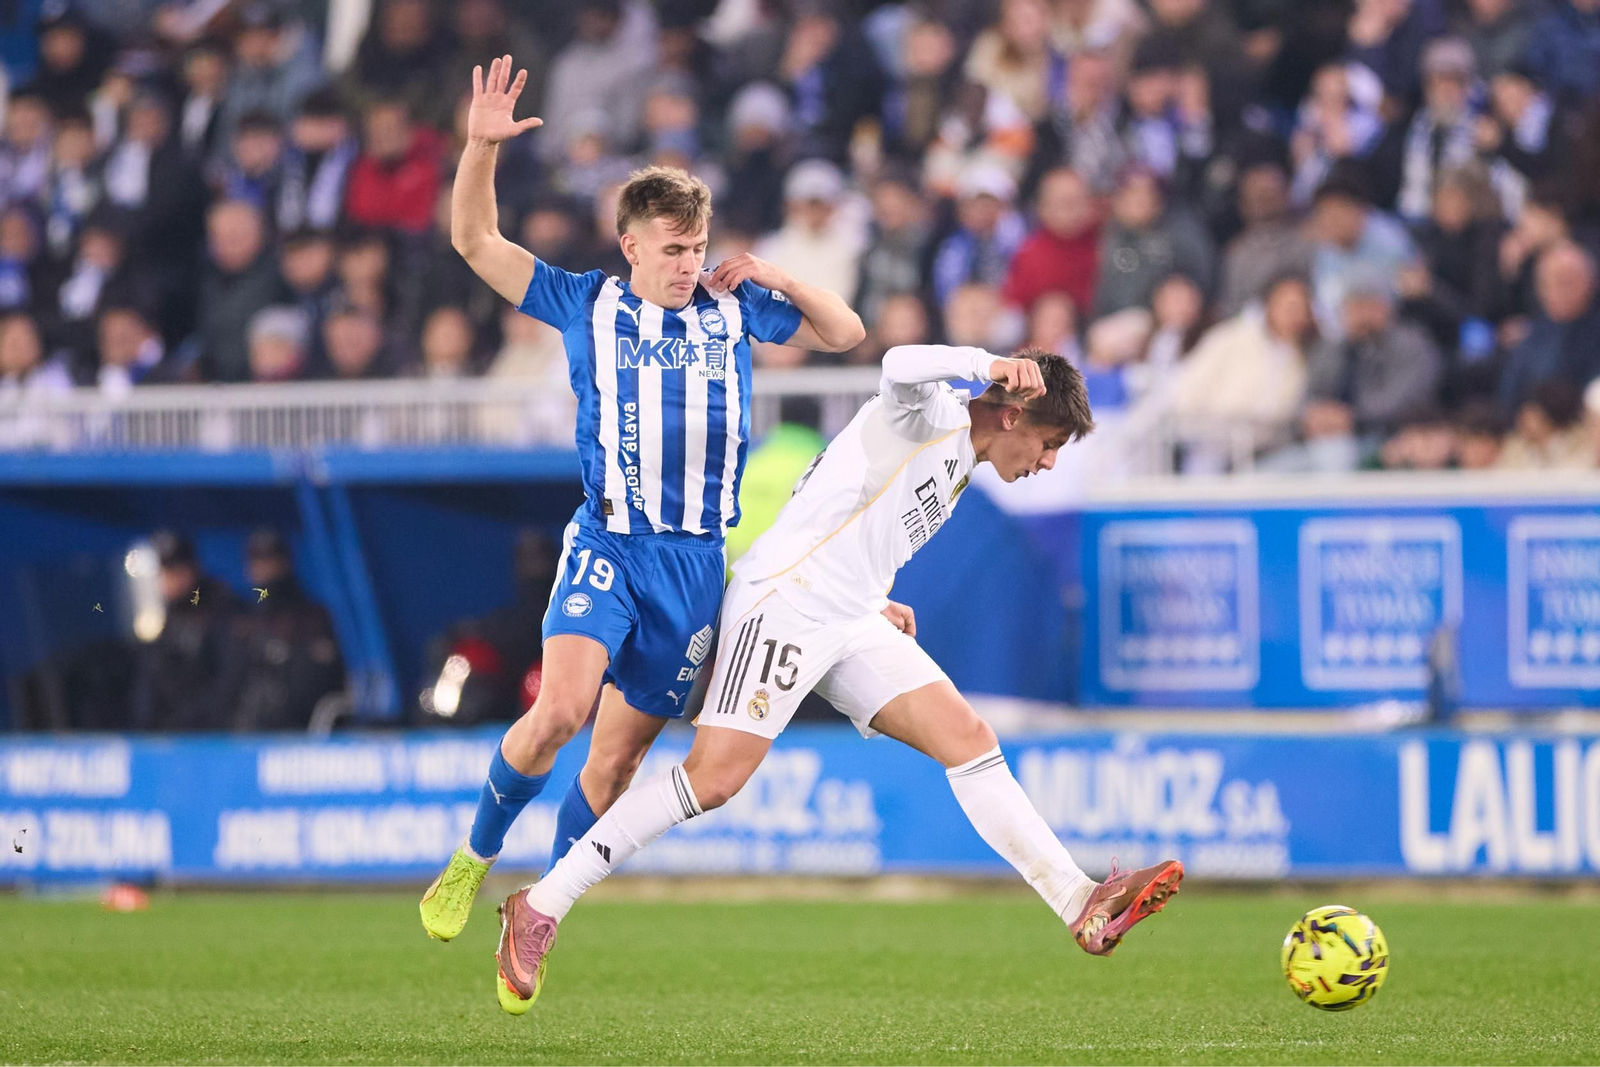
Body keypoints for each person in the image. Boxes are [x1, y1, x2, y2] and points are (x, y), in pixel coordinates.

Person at [491, 345, 1181, 1013]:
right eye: (1051, 440)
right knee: (713, 779)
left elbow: (836, 501)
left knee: (968, 737)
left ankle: (1077, 899)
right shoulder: (931, 411)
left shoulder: (962, 459)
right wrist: (985, 364)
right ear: (1012, 412)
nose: (1049, 461)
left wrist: (872, 593)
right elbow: (895, 363)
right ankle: (540, 903)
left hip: (849, 614)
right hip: (786, 604)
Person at [419, 55, 865, 945]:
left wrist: (775, 274)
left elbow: (845, 331)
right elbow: (476, 241)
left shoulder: (734, 311)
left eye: (697, 248)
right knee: (562, 711)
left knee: (616, 761)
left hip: (697, 564)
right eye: (672, 250)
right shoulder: (585, 304)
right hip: (611, 544)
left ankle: (538, 909)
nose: (687, 264)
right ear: (631, 246)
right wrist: (479, 148)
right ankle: (472, 858)